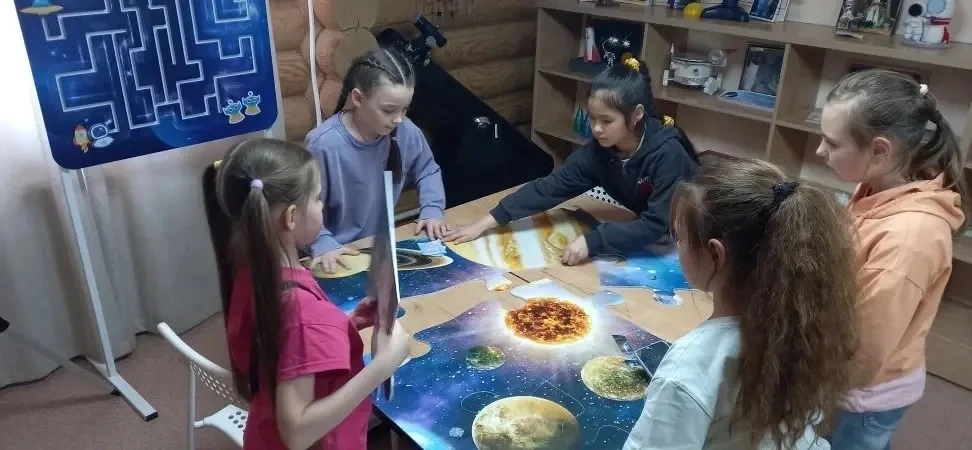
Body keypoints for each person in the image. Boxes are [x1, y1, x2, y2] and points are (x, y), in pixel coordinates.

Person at [625, 159, 858, 449]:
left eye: (679, 237)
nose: (676, 247)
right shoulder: (807, 324)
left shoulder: (690, 367)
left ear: (715, 255)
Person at [202, 139, 412, 450]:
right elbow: (297, 432)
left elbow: (282, 341)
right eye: (317, 198)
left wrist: (342, 327)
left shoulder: (250, 272)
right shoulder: (304, 312)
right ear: (291, 217)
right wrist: (383, 365)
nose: (322, 206)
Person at [818, 69, 968, 449]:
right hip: (848, 368)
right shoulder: (881, 183)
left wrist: (810, 387)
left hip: (863, 393)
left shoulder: (908, 239)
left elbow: (867, 351)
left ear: (880, 150)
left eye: (831, 143)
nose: (820, 151)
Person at [445, 57, 699, 265]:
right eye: (592, 118)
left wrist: (592, 240)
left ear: (636, 115)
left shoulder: (668, 155)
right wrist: (486, 222)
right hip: (657, 233)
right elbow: (550, 187)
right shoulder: (599, 152)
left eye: (607, 121)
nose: (596, 129)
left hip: (694, 235)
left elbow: (656, 224)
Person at [305, 47, 449, 273]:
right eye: (389, 110)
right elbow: (303, 205)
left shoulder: (407, 131)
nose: (398, 119)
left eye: (405, 109)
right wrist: (321, 241)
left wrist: (432, 208)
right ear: (358, 98)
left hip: (379, 248)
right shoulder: (323, 145)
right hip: (336, 254)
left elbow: (427, 170)